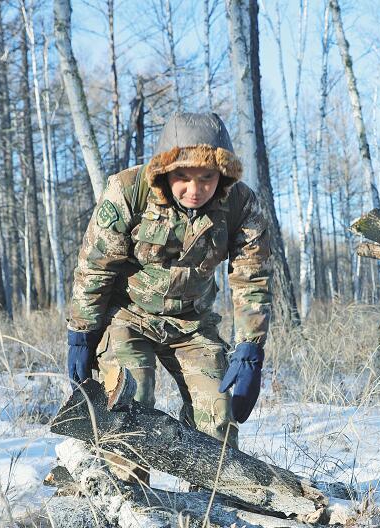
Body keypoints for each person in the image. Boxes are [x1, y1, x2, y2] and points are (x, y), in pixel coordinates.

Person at [65, 112, 271, 481]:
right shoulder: (129, 190)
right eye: (183, 178)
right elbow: (96, 266)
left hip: (193, 324)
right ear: (165, 173)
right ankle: (127, 499)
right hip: (129, 317)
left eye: (207, 178)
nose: (195, 189)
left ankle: (214, 503)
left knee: (217, 411)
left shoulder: (240, 204)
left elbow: (251, 277)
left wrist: (251, 350)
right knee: (132, 403)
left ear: (222, 175)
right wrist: (82, 334)